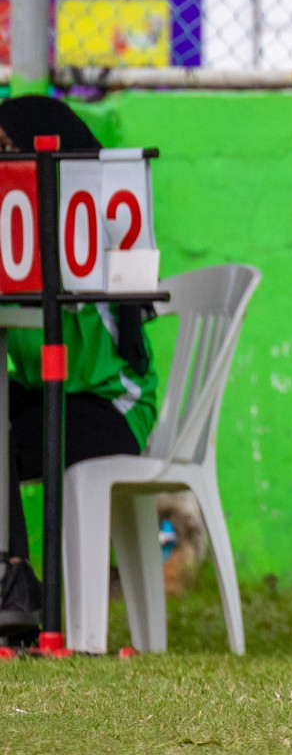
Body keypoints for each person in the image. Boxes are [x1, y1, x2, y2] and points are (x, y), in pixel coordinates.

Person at [0, 96, 159, 643]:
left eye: (7, 152)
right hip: (46, 393)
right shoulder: (13, 239)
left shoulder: (90, 239)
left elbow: (111, 341)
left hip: (113, 405)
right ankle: (18, 586)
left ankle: (18, 593)